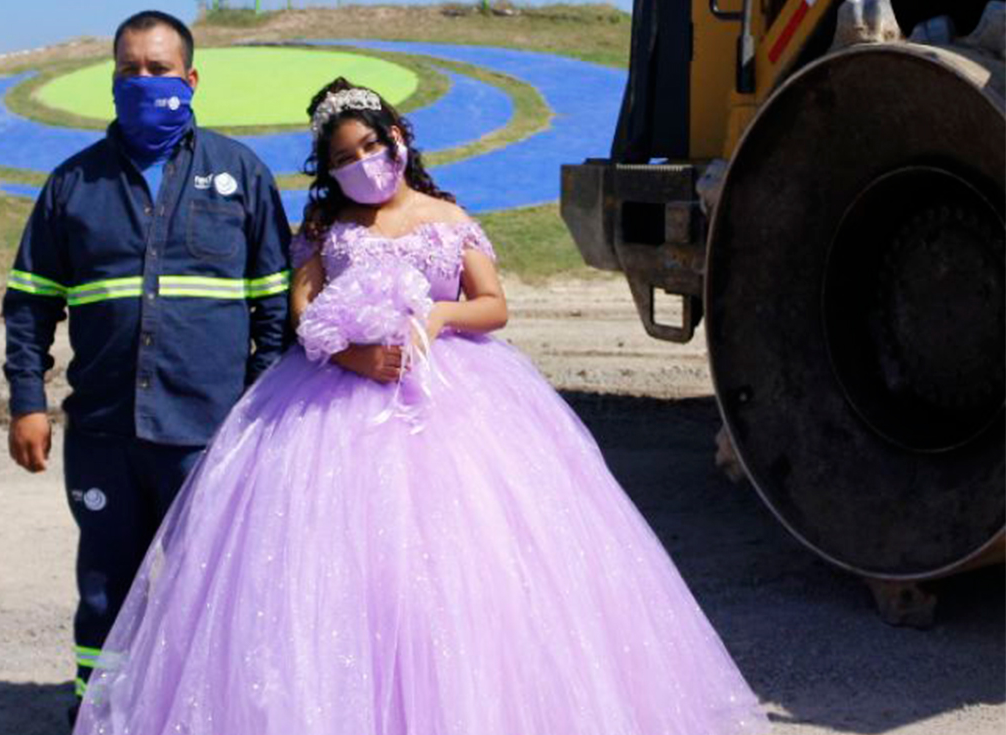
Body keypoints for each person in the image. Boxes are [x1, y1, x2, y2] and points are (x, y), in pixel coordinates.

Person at [72, 78, 769, 734]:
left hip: (453, 400)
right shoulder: (324, 226)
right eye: (344, 157)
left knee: (457, 574)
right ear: (329, 168)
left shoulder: (448, 217)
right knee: (329, 576)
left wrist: (437, 320)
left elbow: (494, 305)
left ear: (399, 136)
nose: (364, 163)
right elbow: (302, 315)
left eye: (371, 146)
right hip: (330, 410)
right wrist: (357, 355)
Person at [0, 10, 291, 713]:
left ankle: (205, 714)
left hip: (210, 433)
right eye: (129, 70)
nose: (143, 81)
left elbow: (276, 311)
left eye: (158, 70)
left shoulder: (240, 175)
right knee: (107, 584)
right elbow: (30, 303)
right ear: (112, 80)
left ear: (190, 80)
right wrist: (26, 401)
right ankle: (99, 713)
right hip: (104, 431)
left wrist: (255, 412)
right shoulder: (74, 185)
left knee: (211, 583)